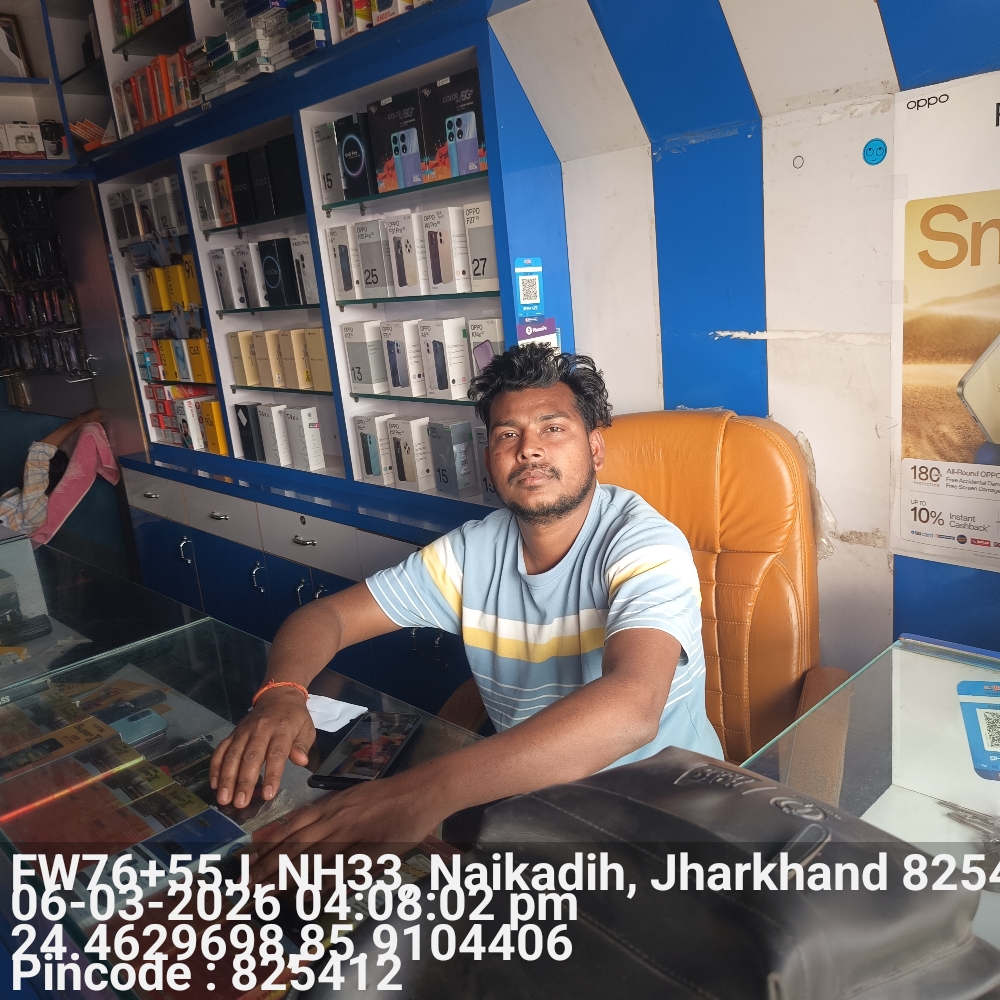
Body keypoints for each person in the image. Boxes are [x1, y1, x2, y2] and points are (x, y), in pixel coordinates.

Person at [210, 345, 723, 875]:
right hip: (537, 811)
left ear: (595, 449)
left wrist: (420, 795)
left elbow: (632, 707)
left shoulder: (645, 543)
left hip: (670, 815)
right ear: (489, 460)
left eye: (552, 429)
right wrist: (282, 693)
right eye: (507, 434)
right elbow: (328, 617)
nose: (528, 449)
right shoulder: (472, 551)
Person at [0, 407, 101, 534]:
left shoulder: (30, 511)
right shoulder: (23, 507)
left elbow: (38, 455)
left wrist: (83, 419)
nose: (24, 470)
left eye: (26, 468)